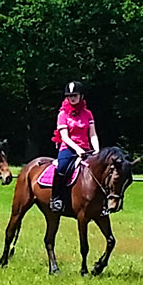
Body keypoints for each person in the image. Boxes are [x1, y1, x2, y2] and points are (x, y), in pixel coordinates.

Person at [50, 81, 101, 214]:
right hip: (68, 148)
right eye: (69, 95)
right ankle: (56, 198)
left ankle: (103, 203)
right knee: (62, 167)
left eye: (75, 95)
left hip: (86, 148)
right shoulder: (62, 115)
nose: (72, 98)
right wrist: (78, 149)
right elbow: (65, 137)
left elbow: (93, 133)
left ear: (81, 96)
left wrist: (96, 150)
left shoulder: (88, 114)